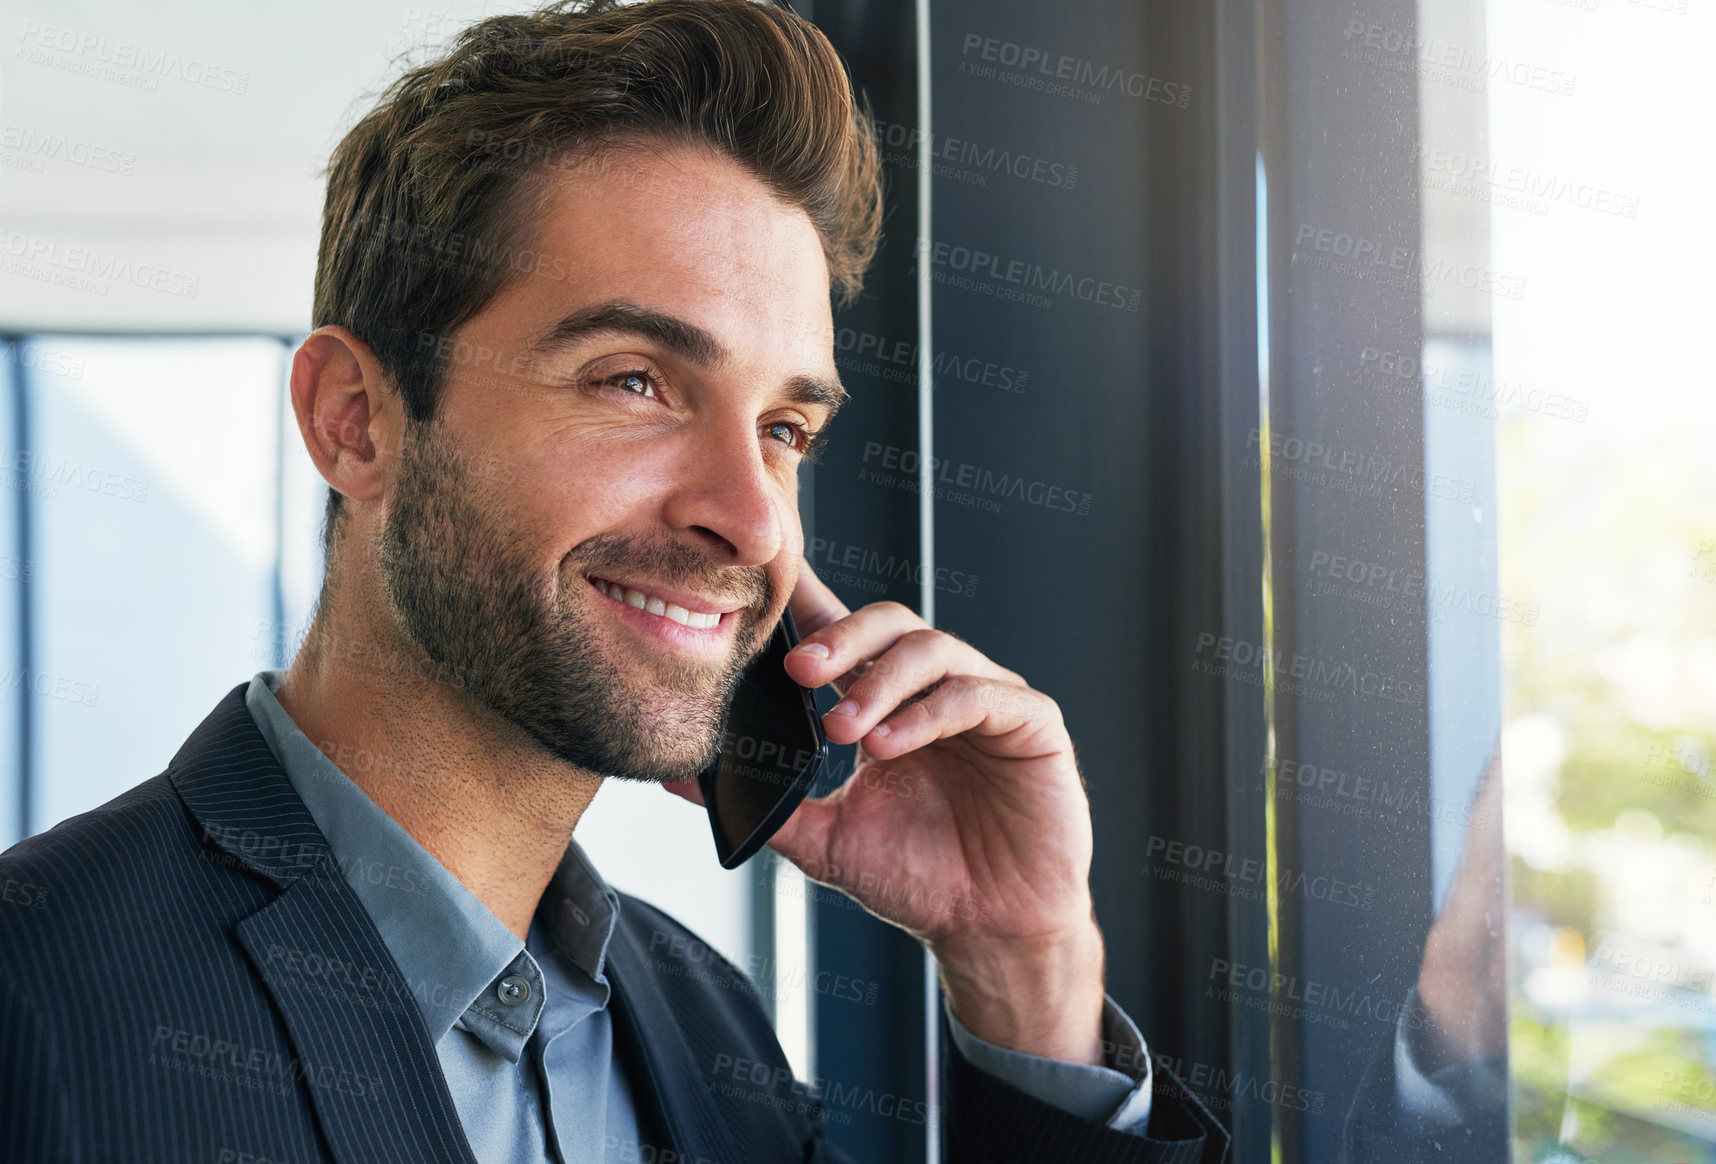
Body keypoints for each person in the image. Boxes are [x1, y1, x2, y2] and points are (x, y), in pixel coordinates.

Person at [0, 2, 1227, 1161]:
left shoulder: (705, 1032)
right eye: (635, 380)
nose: (751, 519)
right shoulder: (36, 996)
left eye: (784, 430)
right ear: (356, 421)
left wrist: (1024, 961)